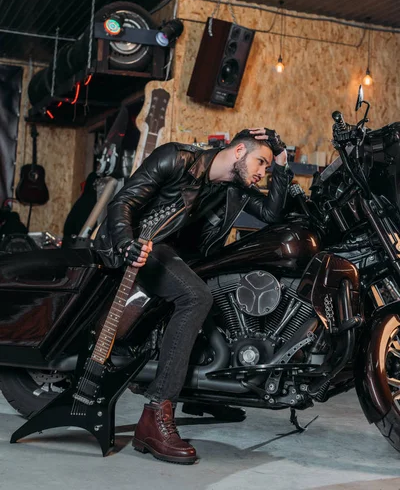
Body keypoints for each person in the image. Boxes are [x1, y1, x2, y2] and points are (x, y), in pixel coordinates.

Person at [94, 127, 291, 464]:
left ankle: (204, 392)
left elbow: (272, 214)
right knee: (196, 297)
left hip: (181, 258)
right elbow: (123, 201)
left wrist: (283, 163)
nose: (262, 173)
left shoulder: (235, 190)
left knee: (220, 291)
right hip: (143, 243)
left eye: (267, 169)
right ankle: (155, 413)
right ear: (239, 152)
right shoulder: (177, 158)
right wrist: (128, 243)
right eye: (261, 162)